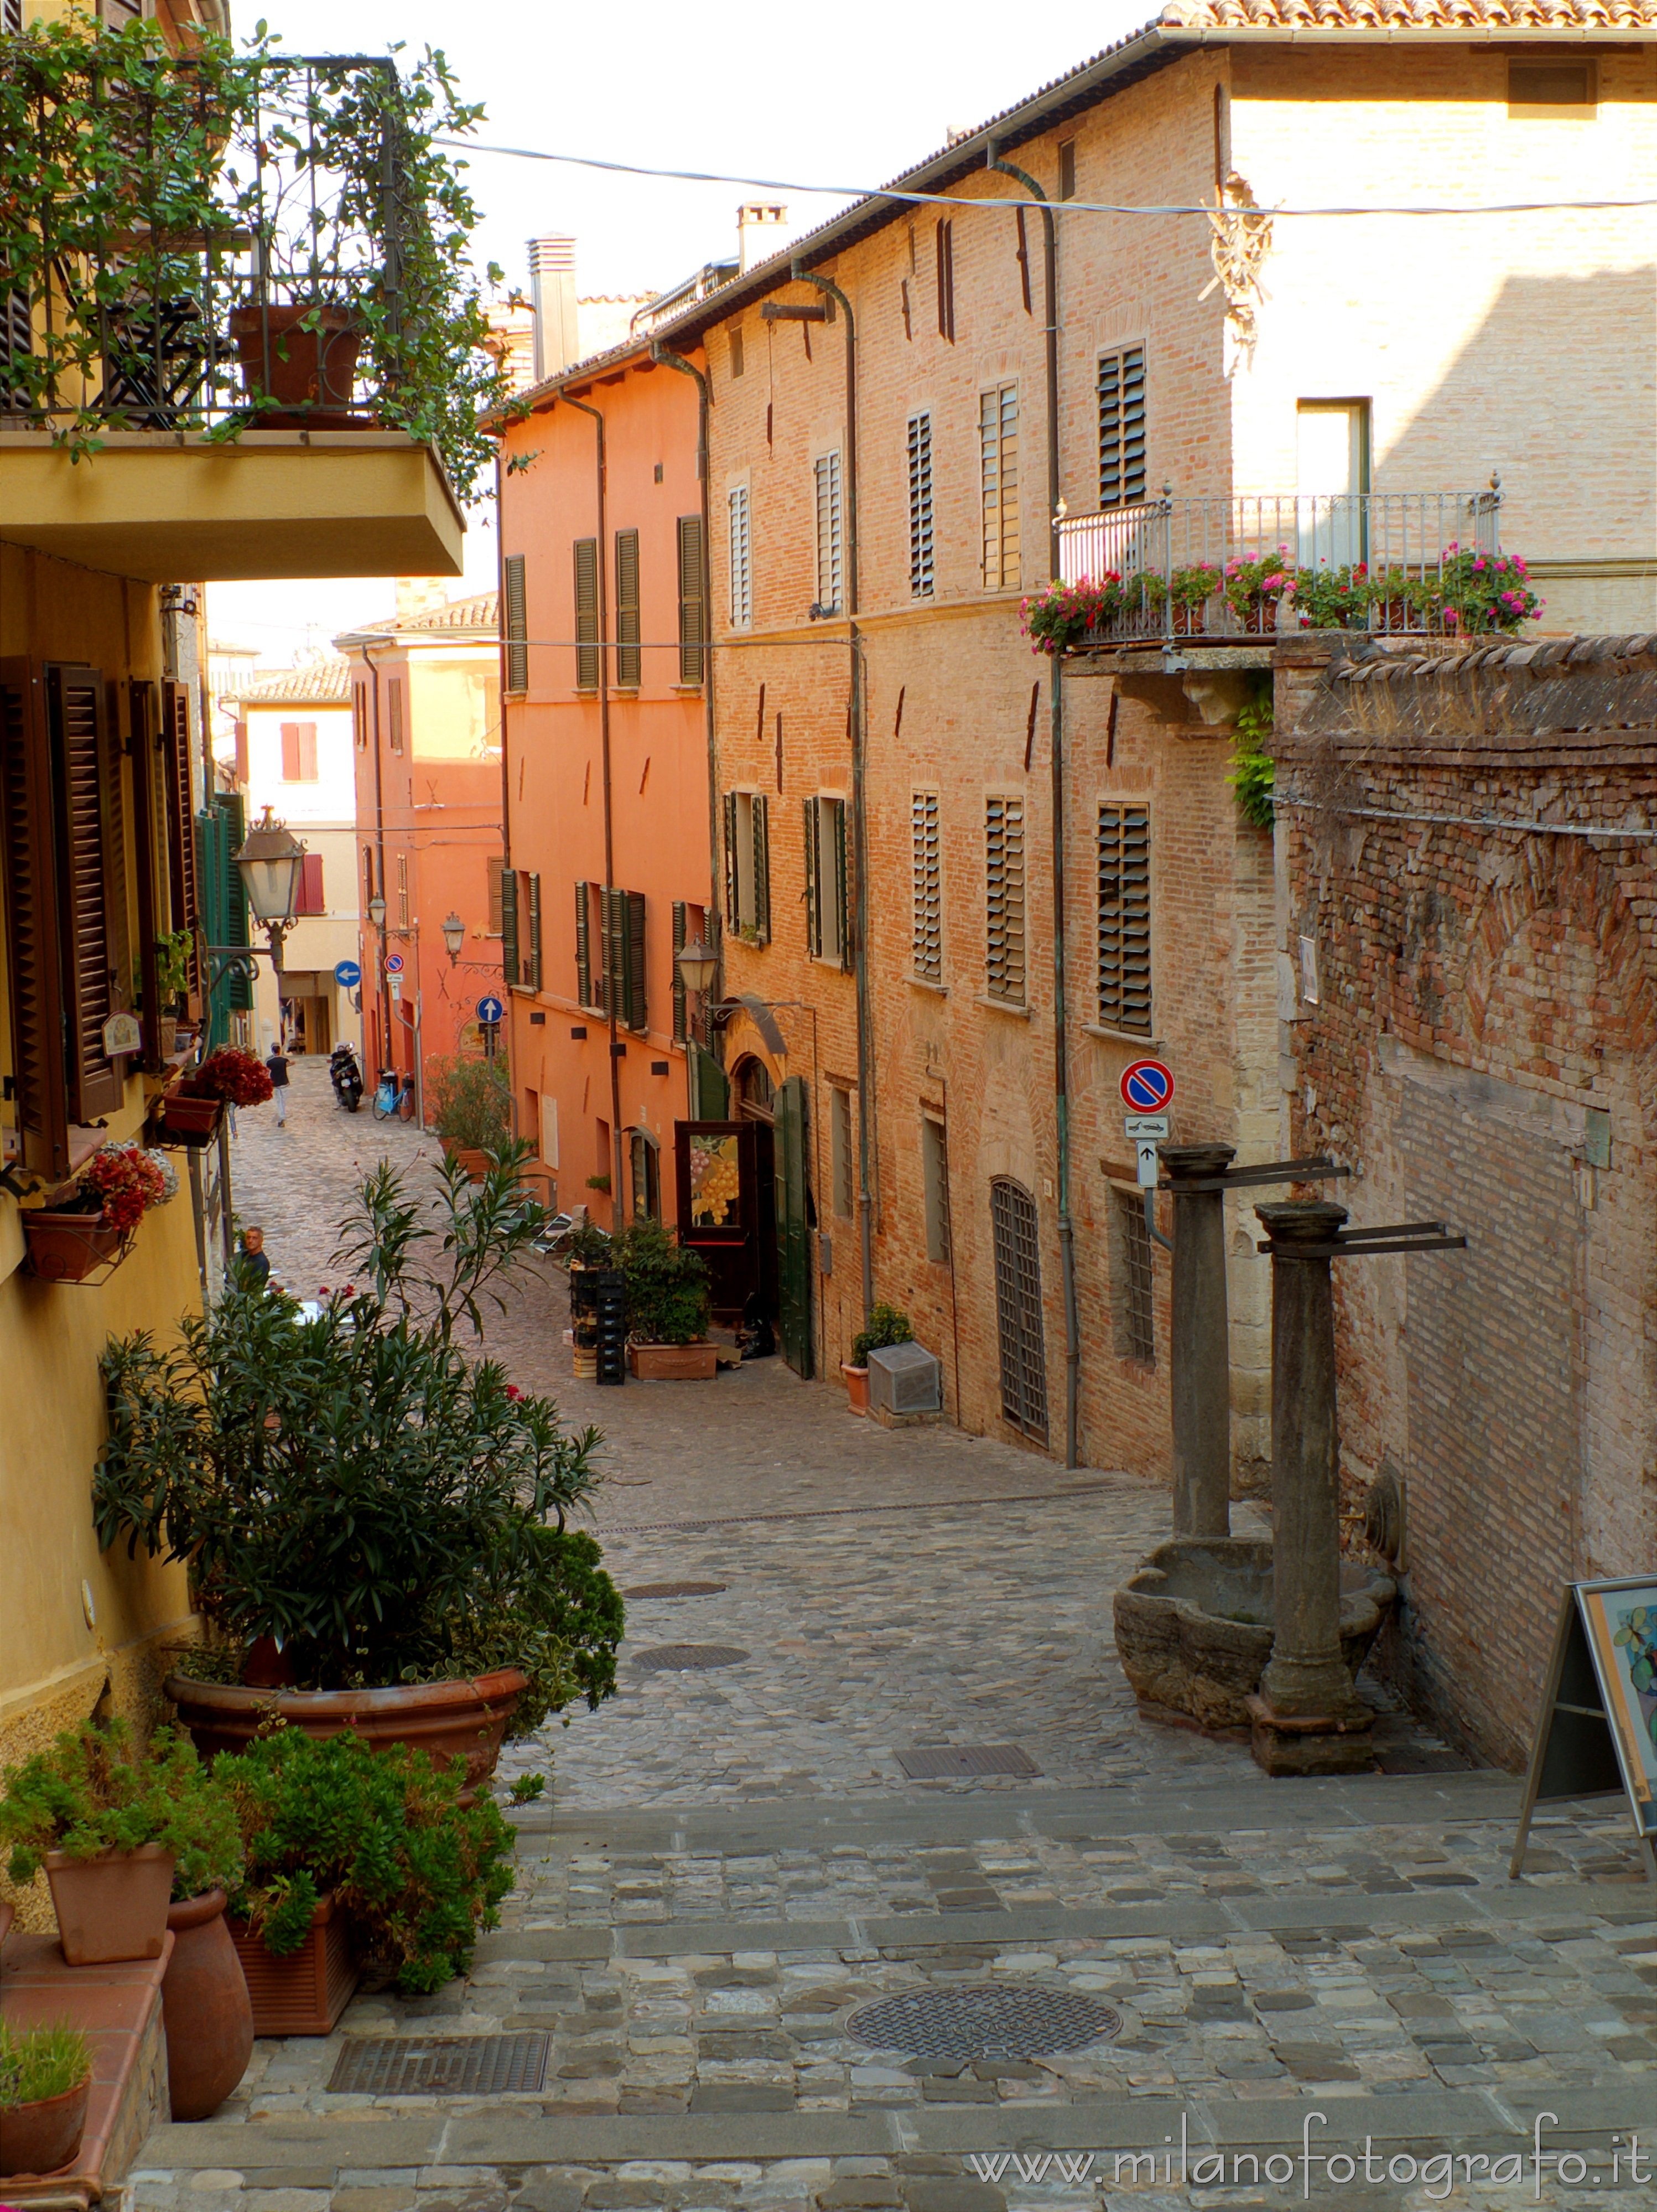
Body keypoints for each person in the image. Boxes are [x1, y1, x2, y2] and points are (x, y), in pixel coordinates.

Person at [237, 1225, 271, 1289]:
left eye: (254, 1238)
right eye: (248, 1238)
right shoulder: (243, 1255)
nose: (250, 1241)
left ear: (261, 1240)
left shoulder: (261, 1262)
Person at [265, 1041, 290, 1126]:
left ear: (272, 1051)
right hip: (284, 1083)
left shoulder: (270, 1062)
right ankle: (282, 1116)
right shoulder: (284, 1061)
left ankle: (281, 1117)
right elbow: (289, 1064)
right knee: (283, 1100)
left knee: (278, 1101)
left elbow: (267, 1071)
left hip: (275, 1084)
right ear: (279, 1051)